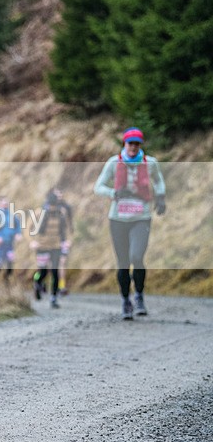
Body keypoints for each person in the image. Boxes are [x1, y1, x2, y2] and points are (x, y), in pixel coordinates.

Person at [94, 127, 166, 320]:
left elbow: (159, 181)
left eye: (136, 143)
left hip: (141, 217)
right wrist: (112, 193)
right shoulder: (113, 163)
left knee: (137, 256)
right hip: (118, 218)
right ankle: (126, 300)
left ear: (140, 145)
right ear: (124, 144)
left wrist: (160, 197)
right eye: (130, 143)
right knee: (123, 263)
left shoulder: (150, 163)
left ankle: (139, 295)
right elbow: (98, 186)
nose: (133, 147)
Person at [30, 191, 70, 308]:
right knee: (42, 272)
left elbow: (66, 228)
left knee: (55, 271)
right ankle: (36, 283)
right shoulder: (39, 213)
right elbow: (28, 227)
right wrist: (31, 241)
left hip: (56, 246)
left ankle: (53, 298)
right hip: (42, 246)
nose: (53, 208)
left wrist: (67, 241)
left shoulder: (61, 212)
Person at [50, 187, 74, 295]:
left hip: (63, 239)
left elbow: (70, 225)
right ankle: (39, 281)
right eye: (56, 195)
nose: (59, 196)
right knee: (46, 265)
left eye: (60, 194)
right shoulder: (46, 207)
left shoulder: (66, 208)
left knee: (62, 262)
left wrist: (70, 239)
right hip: (49, 241)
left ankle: (61, 286)